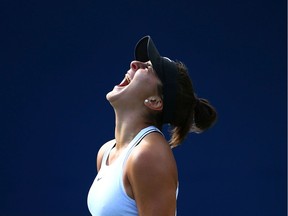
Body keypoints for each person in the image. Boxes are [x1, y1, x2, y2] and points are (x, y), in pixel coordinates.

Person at [87, 35, 217, 216]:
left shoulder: (149, 155)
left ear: (155, 101)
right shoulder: (106, 152)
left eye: (148, 68)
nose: (134, 64)